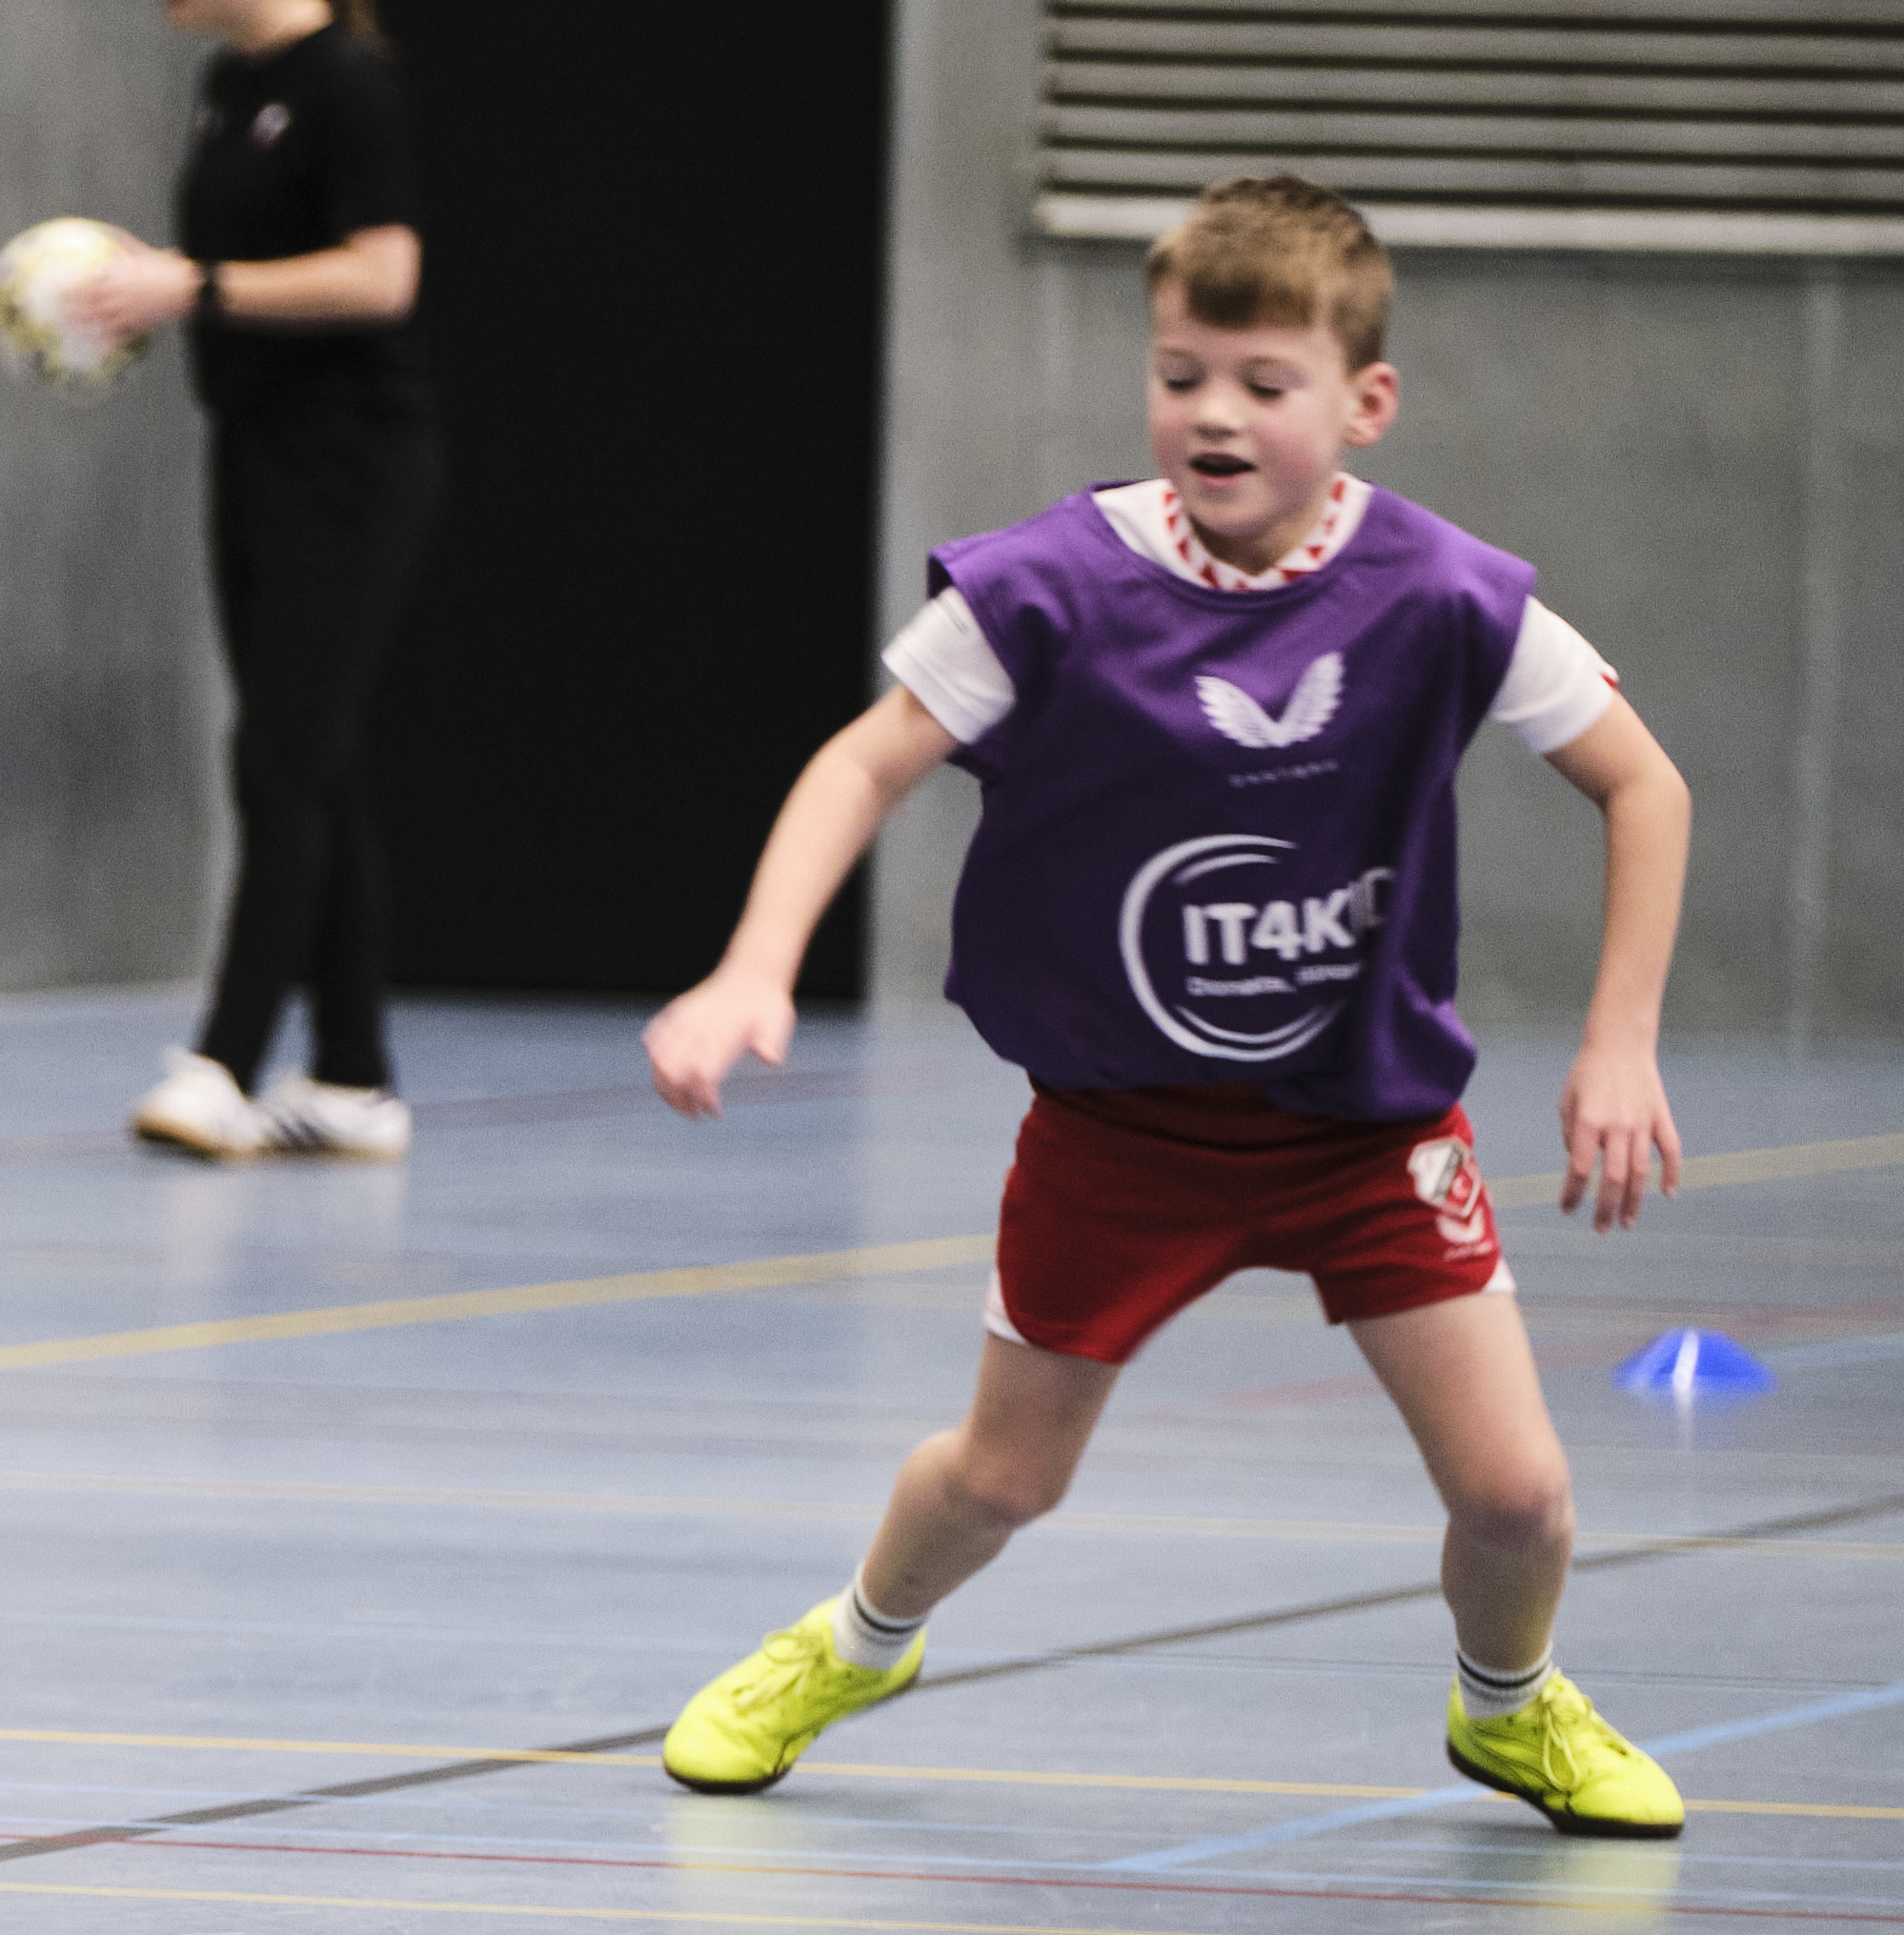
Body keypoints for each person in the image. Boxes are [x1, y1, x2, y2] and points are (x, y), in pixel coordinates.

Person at [645, 173, 1694, 1842]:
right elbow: (861, 763)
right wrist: (751, 963)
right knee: (1001, 1478)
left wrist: (1616, 1040)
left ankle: (1505, 1709)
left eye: (1263, 383)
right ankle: (850, 1645)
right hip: (1118, 1134)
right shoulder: (1044, 590)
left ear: (1361, 403)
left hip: (1363, 1127)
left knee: (1516, 1494)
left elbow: (1643, 786)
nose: (1212, 413)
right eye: (1179, 373)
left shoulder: (1440, 592)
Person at [71, 0, 435, 1164]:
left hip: (354, 461)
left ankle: (222, 1060)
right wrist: (145, 284)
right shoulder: (230, 82)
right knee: (311, 759)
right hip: (254, 450)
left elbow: (382, 275)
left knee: (278, 757)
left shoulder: (349, 81)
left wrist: (200, 288)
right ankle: (351, 1079)